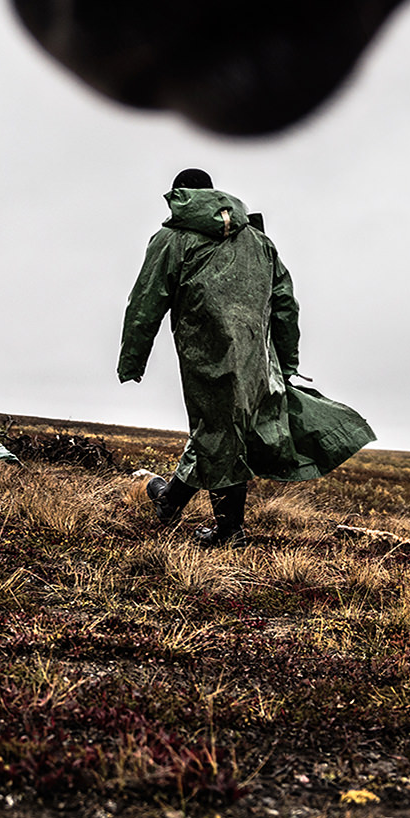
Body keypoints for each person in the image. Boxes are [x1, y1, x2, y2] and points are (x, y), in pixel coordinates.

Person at [117, 169, 300, 549]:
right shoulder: (260, 241)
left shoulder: (172, 238)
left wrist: (132, 359)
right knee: (219, 428)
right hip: (257, 358)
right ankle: (170, 500)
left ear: (181, 196)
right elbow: (285, 304)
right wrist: (288, 359)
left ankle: (229, 532)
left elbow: (146, 302)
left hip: (207, 351)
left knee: (219, 431)